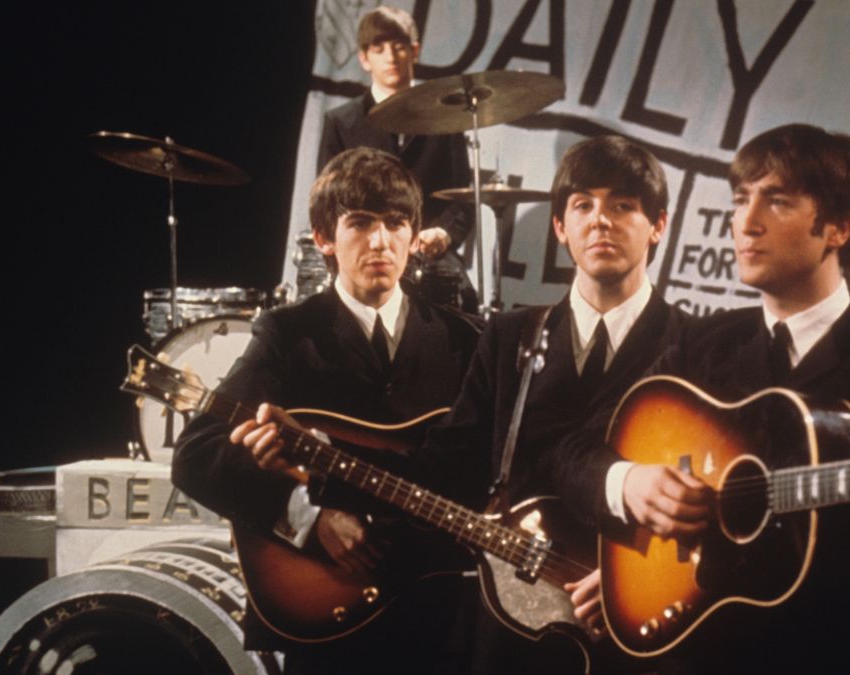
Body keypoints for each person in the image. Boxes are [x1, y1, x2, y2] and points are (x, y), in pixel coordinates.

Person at [555, 124, 850, 674]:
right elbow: (576, 451)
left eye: (777, 201)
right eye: (741, 200)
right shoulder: (703, 343)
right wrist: (633, 484)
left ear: (839, 227)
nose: (745, 223)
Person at [172, 147, 482, 673]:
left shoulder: (464, 338)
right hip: (328, 621)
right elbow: (196, 456)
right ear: (324, 238)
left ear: (414, 235)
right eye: (360, 224)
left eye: (396, 223)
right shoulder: (288, 334)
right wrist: (308, 517)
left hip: (442, 615)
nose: (381, 241)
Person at [399, 135, 691, 674]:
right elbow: (447, 464)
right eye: (583, 205)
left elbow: (712, 500)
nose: (600, 220)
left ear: (659, 225)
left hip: (644, 634)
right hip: (513, 633)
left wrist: (639, 584)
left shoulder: (696, 347)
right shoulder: (510, 336)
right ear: (560, 228)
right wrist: (321, 461)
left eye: (623, 205)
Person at [317, 5, 475, 309]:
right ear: (364, 58)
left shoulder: (445, 119)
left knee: (466, 305)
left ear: (414, 51)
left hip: (426, 256)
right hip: (362, 253)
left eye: (399, 46)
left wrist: (443, 233)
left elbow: (463, 199)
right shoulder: (341, 121)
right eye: (379, 48)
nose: (390, 56)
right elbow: (327, 202)